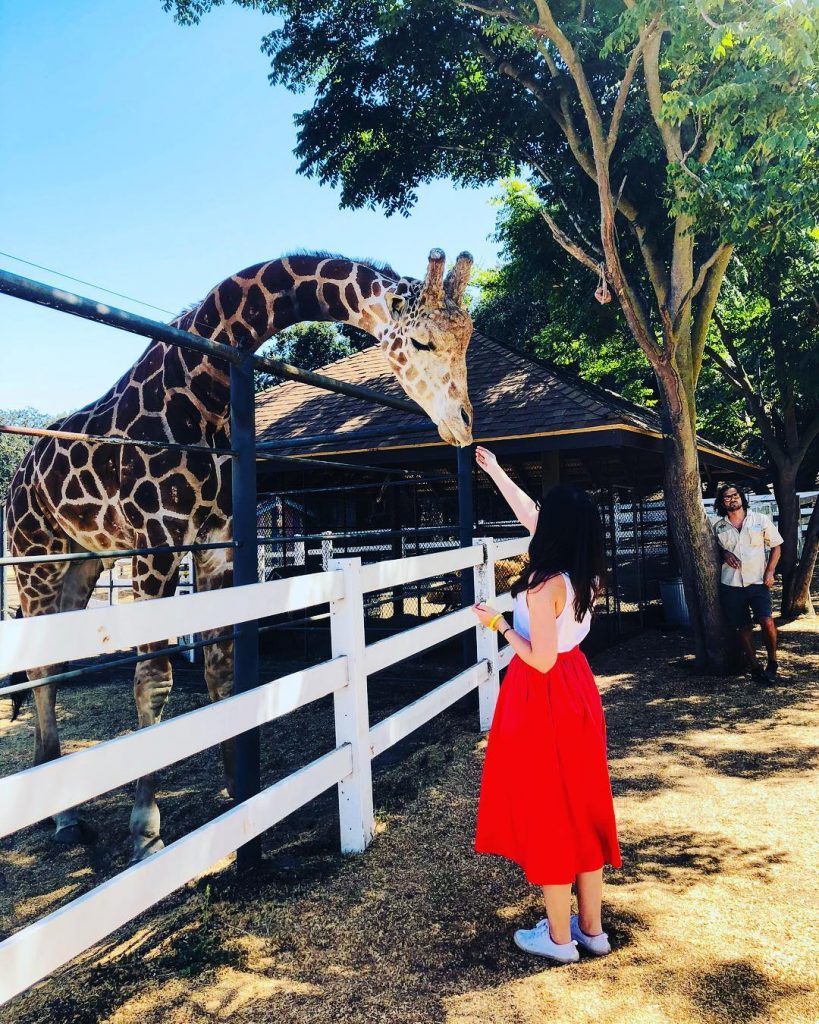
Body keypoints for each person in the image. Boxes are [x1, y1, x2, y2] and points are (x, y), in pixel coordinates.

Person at [471, 446, 621, 965]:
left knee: (550, 809)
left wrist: (499, 624)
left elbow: (537, 660)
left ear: (553, 529)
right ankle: (592, 930)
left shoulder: (542, 584)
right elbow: (530, 512)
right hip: (578, 685)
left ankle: (558, 939)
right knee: (581, 806)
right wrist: (496, 472)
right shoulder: (585, 572)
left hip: (544, 692)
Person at [711, 483, 783, 684]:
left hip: (758, 581)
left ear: (741, 497)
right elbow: (711, 551)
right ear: (722, 503)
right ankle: (755, 666)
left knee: (767, 621)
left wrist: (770, 571)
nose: (732, 499)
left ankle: (773, 662)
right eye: (727, 497)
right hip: (731, 585)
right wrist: (724, 553)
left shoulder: (759, 520)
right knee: (743, 627)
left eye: (735, 495)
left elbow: (777, 546)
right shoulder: (718, 526)